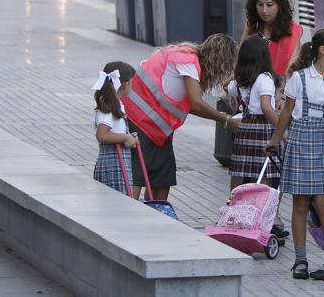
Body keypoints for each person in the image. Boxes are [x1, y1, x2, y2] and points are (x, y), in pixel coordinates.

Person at [267, 29, 324, 281]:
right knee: (300, 203)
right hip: (300, 138)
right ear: (323, 50)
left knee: (323, 202)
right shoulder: (299, 78)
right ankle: (300, 260)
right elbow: (287, 111)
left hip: (322, 138)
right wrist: (274, 139)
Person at [124, 34, 240, 203]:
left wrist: (222, 117)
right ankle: (129, 213)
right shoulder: (187, 61)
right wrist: (227, 120)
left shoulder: (186, 57)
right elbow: (196, 102)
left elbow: (191, 106)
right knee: (137, 173)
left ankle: (157, 213)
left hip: (154, 129)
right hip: (139, 121)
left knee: (163, 174)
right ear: (218, 60)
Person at [225, 38, 283, 193]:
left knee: (240, 171)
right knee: (261, 174)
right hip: (262, 128)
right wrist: (281, 127)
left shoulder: (239, 80)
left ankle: (235, 205)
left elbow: (226, 87)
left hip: (244, 128)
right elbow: (266, 106)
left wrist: (235, 72)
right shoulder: (265, 78)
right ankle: (256, 209)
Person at [91, 61, 138, 195]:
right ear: (125, 84)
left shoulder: (115, 105)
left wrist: (129, 136)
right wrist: (125, 137)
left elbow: (113, 131)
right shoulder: (108, 107)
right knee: (117, 201)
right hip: (114, 164)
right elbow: (101, 135)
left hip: (118, 162)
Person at [241, 0, 304, 78]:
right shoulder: (252, 25)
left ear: (280, 5)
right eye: (260, 5)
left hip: (280, 88)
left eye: (269, 5)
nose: (264, 10)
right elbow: (241, 58)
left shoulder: (293, 30)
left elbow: (292, 69)